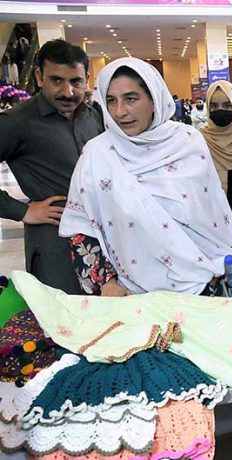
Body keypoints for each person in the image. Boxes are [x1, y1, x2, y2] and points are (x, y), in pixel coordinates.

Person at [59, 57, 232, 296]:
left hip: (203, 285)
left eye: (131, 99)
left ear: (153, 99)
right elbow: (80, 226)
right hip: (133, 294)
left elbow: (214, 210)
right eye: (111, 101)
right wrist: (105, 282)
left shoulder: (188, 142)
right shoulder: (97, 155)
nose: (120, 112)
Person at [0, 39, 103, 294]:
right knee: (62, 323)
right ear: (38, 76)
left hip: (101, 238)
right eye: (57, 80)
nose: (68, 92)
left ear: (86, 79)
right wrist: (21, 210)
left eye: (76, 81)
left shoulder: (93, 116)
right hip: (55, 244)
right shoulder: (18, 122)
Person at [199, 80, 232, 234]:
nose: (220, 110)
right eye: (214, 106)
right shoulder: (199, 140)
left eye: (227, 105)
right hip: (212, 219)